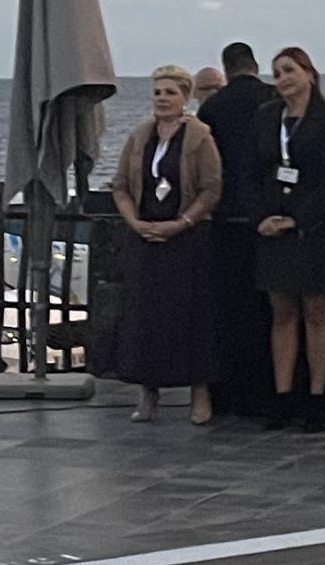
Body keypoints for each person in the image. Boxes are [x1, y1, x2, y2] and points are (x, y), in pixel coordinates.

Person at [109, 64, 222, 425]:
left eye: (170, 92)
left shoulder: (199, 136)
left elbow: (211, 188)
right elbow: (121, 185)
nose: (162, 99)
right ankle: (148, 391)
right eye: (157, 92)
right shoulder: (140, 136)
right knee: (145, 318)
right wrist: (134, 221)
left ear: (185, 97)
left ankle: (199, 393)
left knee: (191, 316)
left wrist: (181, 223)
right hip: (146, 238)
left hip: (186, 240)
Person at [249, 47, 325, 433]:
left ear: (309, 73)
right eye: (276, 73)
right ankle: (282, 395)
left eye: (289, 70)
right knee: (282, 311)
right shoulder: (265, 117)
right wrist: (262, 217)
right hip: (272, 226)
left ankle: (317, 397)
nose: (283, 79)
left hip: (313, 229)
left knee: (316, 310)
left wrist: (298, 219)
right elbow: (251, 172)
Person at [197, 42, 278, 414]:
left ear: (227, 70)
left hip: (228, 217)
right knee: (275, 308)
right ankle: (276, 387)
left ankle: (234, 390)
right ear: (255, 65)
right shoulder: (275, 99)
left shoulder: (213, 108)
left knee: (232, 307)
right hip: (272, 212)